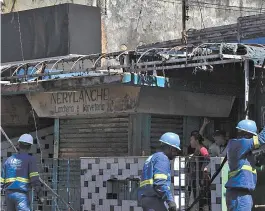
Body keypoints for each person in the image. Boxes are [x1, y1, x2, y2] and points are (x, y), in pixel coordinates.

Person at [225, 120, 265, 211]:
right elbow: (261, 139)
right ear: (246, 134)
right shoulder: (240, 143)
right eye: (252, 136)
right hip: (239, 195)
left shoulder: (241, 148)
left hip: (240, 194)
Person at [138, 132, 181, 211]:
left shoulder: (152, 157)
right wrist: (170, 201)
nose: (176, 154)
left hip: (147, 199)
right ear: (171, 148)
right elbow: (160, 183)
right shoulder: (162, 158)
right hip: (154, 200)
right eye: (175, 150)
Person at [0, 134, 43, 211]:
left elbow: (1, 181)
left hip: (9, 195)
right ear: (30, 147)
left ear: (18, 145)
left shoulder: (8, 160)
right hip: (22, 196)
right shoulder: (30, 160)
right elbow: (34, 179)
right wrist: (39, 194)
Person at [188, 131, 210, 211]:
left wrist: (203, 169)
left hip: (200, 180)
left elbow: (208, 158)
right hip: (195, 179)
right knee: (196, 200)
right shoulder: (196, 150)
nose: (190, 142)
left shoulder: (202, 149)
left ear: (196, 141)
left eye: (191, 140)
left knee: (201, 201)